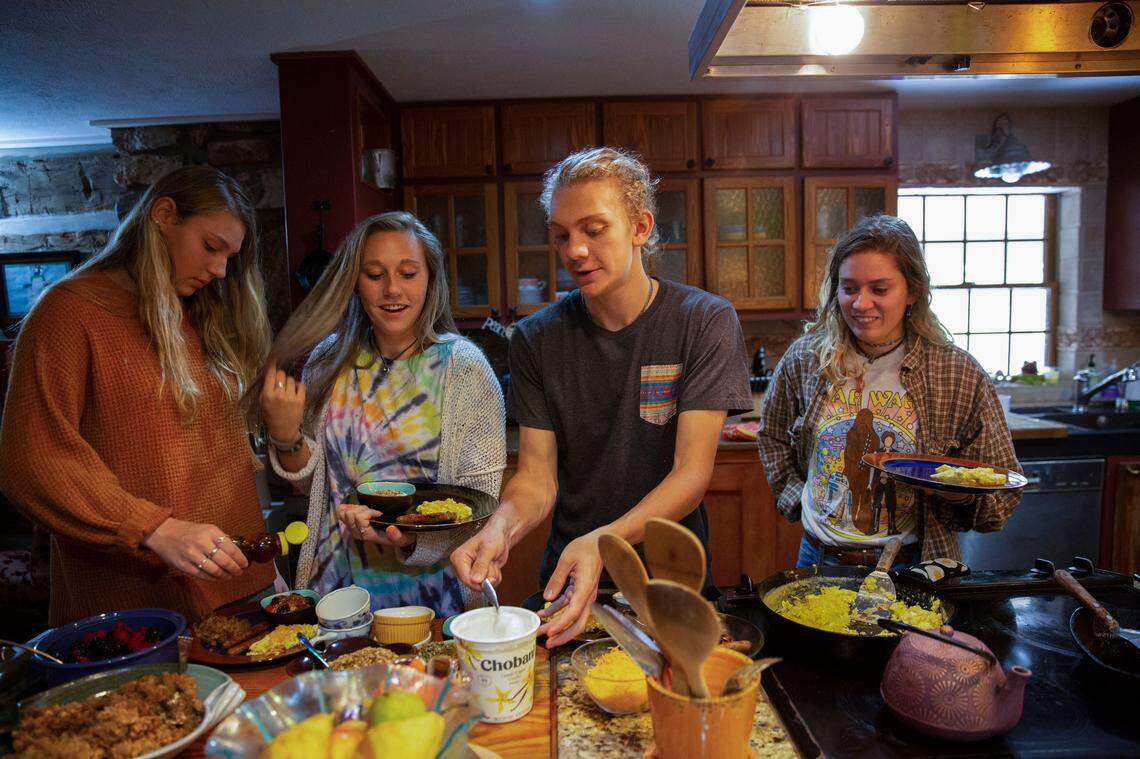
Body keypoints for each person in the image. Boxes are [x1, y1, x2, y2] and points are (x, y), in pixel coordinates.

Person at [450, 147, 752, 646]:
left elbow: (691, 476)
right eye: (562, 235)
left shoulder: (702, 322)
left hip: (669, 584)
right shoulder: (535, 339)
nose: (575, 251)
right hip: (568, 583)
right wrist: (500, 528)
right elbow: (536, 479)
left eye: (594, 229)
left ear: (639, 227)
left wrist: (602, 541)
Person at [0, 166, 274, 624]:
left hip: (239, 589)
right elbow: (32, 460)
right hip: (128, 607)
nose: (220, 270)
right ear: (163, 215)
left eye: (230, 256)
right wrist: (153, 529)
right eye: (211, 247)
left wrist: (266, 577)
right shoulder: (69, 312)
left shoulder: (204, 316)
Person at [254, 211, 504, 617]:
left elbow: (479, 511)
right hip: (336, 591)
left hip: (433, 598)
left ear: (430, 279)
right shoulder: (327, 362)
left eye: (408, 273)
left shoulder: (465, 370)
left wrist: (404, 537)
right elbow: (314, 488)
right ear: (354, 282)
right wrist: (286, 438)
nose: (392, 290)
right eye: (375, 275)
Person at [758, 214, 1022, 568]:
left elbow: (1003, 490)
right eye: (849, 288)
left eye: (879, 289)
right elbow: (771, 435)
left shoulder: (957, 373)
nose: (861, 304)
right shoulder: (806, 359)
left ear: (912, 291)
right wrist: (797, 497)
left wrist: (957, 497)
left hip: (915, 564)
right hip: (820, 558)